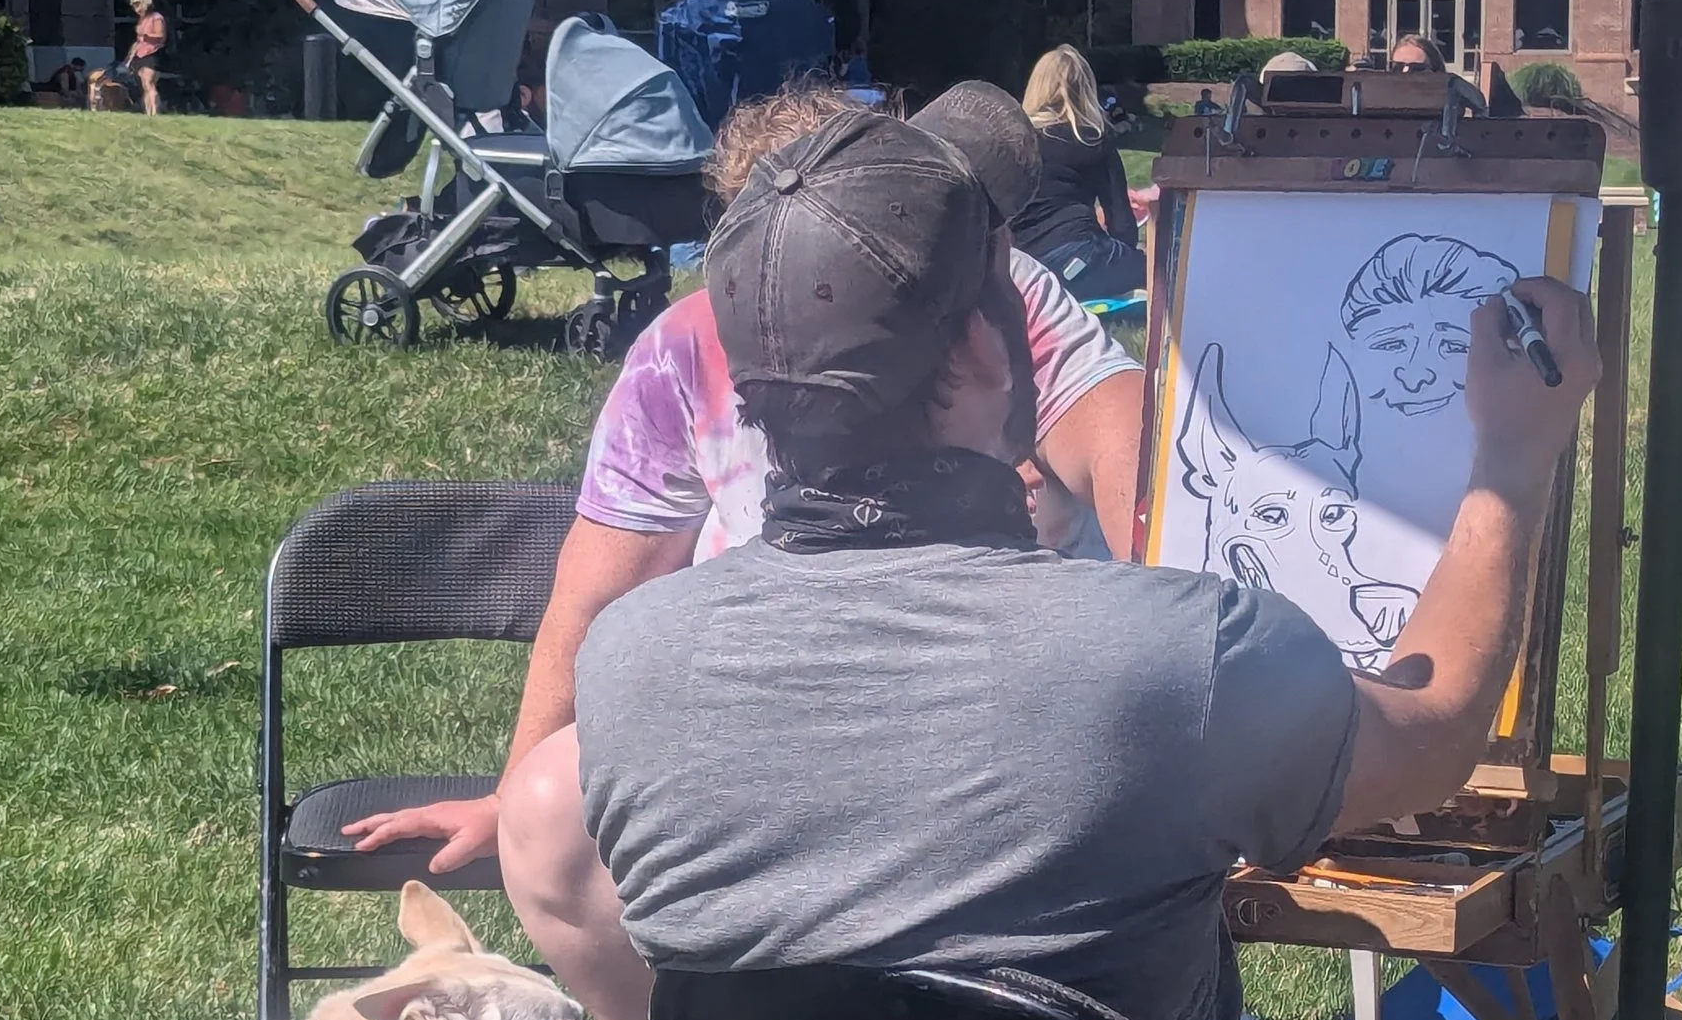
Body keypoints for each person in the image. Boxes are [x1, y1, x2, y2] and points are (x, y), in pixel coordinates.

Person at [542, 98, 1618, 1020]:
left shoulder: (631, 664)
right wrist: (1512, 455)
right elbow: (1442, 723)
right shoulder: (1163, 655)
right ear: (980, 353)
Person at [342, 79, 1146, 887]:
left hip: (993, 700)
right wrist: (514, 795)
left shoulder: (994, 293)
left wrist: (1166, 632)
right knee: (556, 820)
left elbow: (1129, 454)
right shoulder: (683, 349)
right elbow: (598, 586)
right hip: (775, 707)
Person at [1013, 44, 1145, 302]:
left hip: (1022, 270)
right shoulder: (1092, 140)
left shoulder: (1014, 144)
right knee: (1157, 269)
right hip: (1078, 259)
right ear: (1086, 90)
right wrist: (1126, 253)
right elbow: (1122, 224)